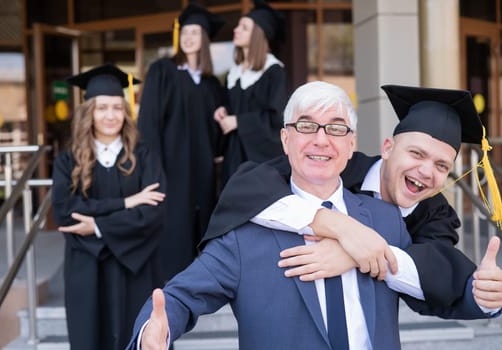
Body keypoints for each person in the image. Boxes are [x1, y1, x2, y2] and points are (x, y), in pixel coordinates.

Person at [126, 82, 489, 350]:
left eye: (335, 128)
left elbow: (439, 281)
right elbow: (180, 296)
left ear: (350, 145)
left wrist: (486, 294)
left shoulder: (393, 220)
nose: (320, 139)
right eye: (305, 126)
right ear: (285, 141)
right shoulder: (246, 231)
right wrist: (153, 333)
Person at [201, 84, 502, 314]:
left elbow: (434, 279)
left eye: (442, 166)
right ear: (387, 148)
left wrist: (357, 256)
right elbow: (249, 189)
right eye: (416, 153)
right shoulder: (336, 165)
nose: (426, 172)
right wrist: (339, 227)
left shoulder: (436, 214)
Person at [52, 64, 166, 350]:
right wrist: (127, 203)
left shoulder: (144, 156)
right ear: (88, 111)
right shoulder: (68, 162)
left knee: (138, 338)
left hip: (136, 267)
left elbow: (152, 213)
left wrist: (98, 226)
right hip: (86, 268)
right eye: (102, 108)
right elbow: (65, 212)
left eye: (117, 107)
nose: (110, 115)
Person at [137, 3, 224, 281]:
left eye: (195, 32)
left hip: (202, 172)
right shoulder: (162, 71)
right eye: (185, 31)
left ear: (204, 39)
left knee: (201, 225)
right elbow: (148, 123)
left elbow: (217, 133)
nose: (188, 37)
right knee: (173, 227)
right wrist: (153, 169)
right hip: (170, 169)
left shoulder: (212, 84)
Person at [214, 0, 288, 184]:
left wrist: (239, 122)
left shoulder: (273, 72)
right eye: (238, 25)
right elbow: (230, 109)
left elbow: (276, 120)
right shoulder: (234, 74)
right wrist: (222, 111)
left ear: (258, 34)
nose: (236, 29)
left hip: (259, 162)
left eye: (244, 27)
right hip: (233, 157)